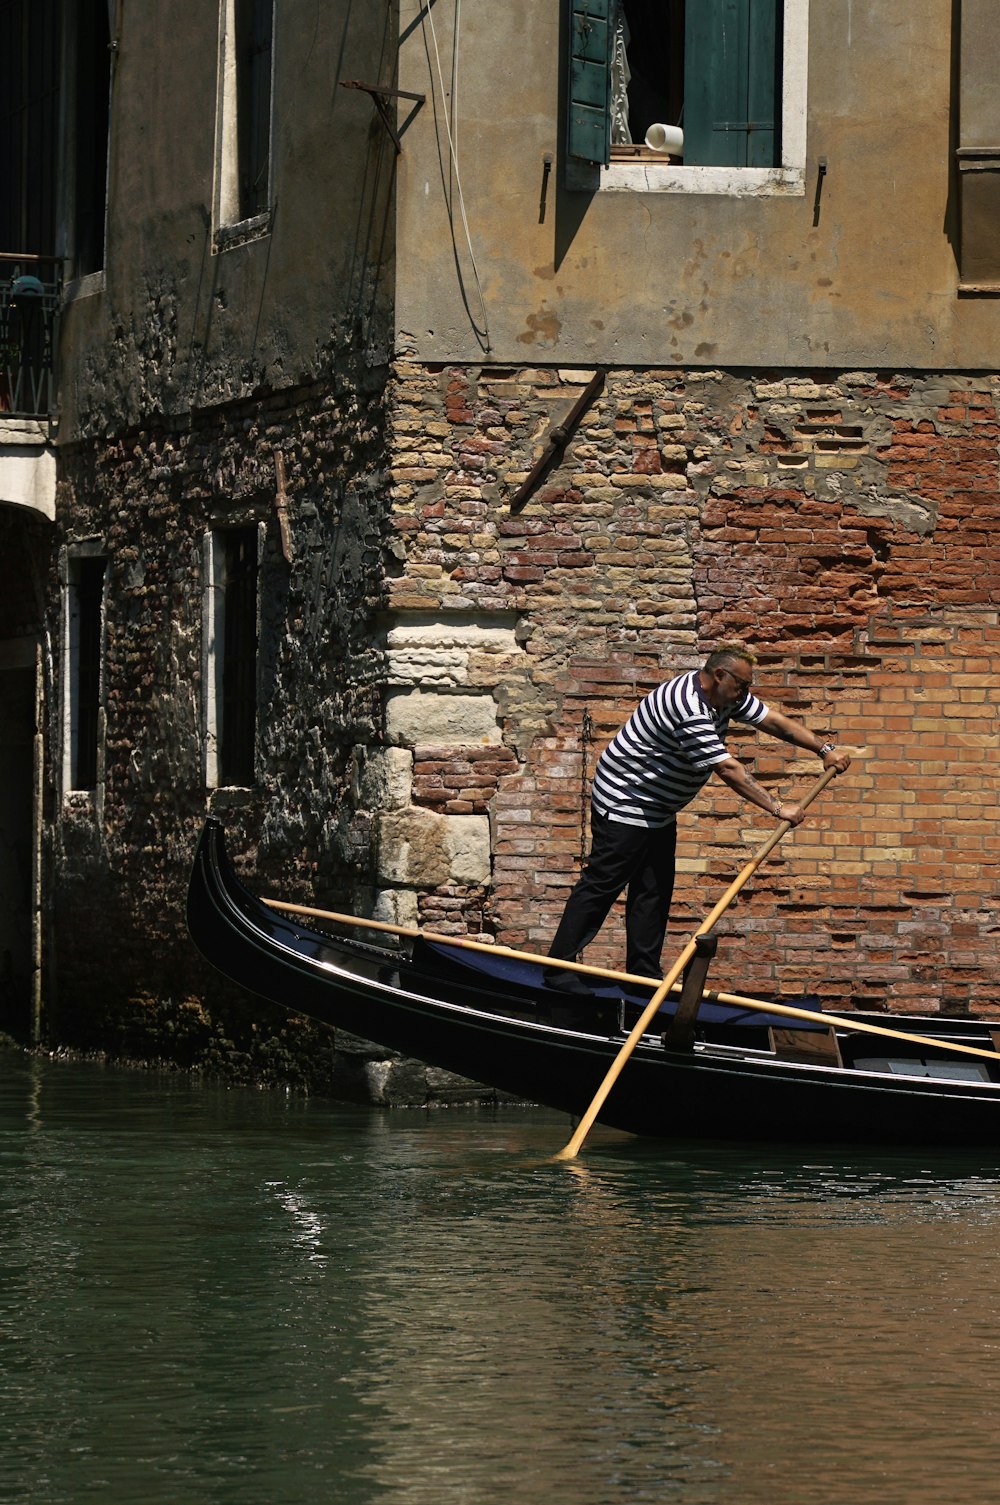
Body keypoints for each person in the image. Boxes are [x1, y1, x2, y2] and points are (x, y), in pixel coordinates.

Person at [544, 644, 851, 990]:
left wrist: (823, 749)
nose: (745, 693)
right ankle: (559, 969)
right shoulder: (687, 707)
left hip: (658, 806)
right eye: (742, 685)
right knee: (603, 883)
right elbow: (727, 768)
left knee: (654, 889)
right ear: (719, 676)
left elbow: (772, 721)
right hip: (625, 799)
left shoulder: (726, 696)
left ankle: (642, 977)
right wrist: (779, 809)